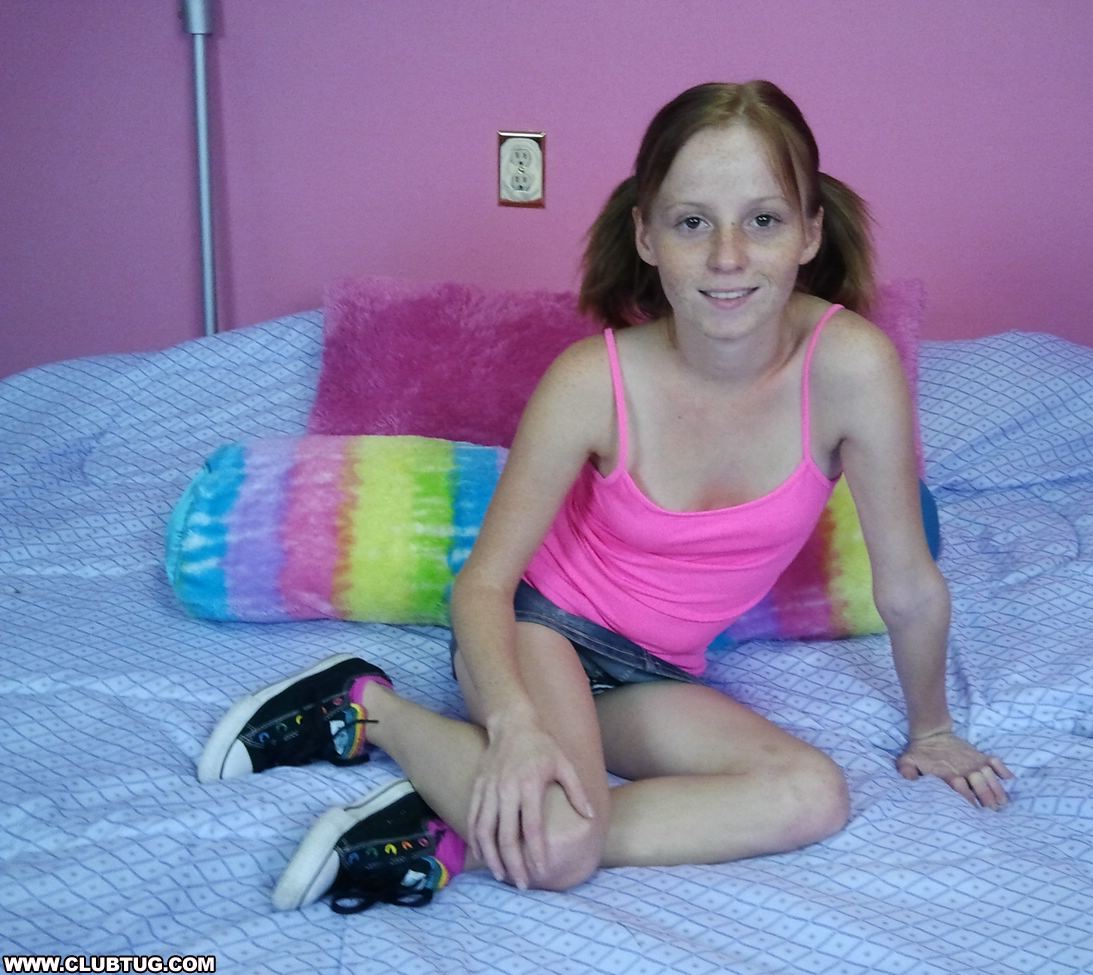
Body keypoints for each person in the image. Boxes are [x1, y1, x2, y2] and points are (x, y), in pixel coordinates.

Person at [198, 79, 1013, 914]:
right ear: (647, 235)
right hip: (540, 631)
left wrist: (933, 730)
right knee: (559, 848)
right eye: (692, 222)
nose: (728, 256)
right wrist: (512, 724)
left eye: (763, 220)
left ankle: (457, 816)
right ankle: (368, 708)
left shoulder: (853, 368)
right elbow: (482, 585)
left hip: (655, 673)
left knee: (812, 794)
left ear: (810, 230)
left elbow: (907, 582)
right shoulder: (592, 381)